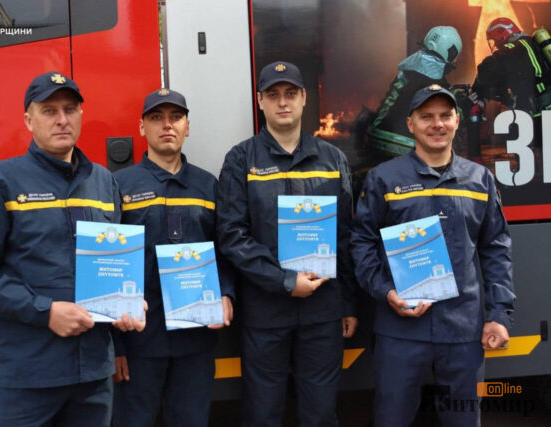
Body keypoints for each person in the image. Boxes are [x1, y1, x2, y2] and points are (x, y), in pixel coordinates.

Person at [0, 71, 145, 427]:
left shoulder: (104, 182)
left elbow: (115, 264)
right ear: (29, 119)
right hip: (27, 375)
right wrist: (46, 311)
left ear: (81, 115)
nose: (61, 119)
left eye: (70, 110)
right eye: (49, 110)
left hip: (93, 377)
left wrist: (127, 304)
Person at [350, 84, 515, 427]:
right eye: (426, 116)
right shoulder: (384, 179)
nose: (437, 124)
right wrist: (386, 291)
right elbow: (361, 244)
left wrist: (499, 314)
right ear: (410, 124)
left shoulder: (480, 180)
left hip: (463, 331)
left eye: (445, 116)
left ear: (457, 121)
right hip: (400, 330)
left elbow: (496, 249)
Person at [216, 61, 358, 427]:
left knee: (320, 413)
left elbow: (345, 236)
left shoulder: (332, 159)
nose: (283, 102)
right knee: (262, 414)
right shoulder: (241, 159)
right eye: (274, 94)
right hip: (265, 311)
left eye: (290, 93)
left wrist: (347, 303)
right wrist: (283, 281)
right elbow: (232, 234)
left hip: (323, 310)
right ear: (260, 101)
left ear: (304, 98)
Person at [111, 88, 234, 427]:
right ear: (142, 127)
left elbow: (225, 249)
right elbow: (109, 266)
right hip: (139, 340)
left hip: (196, 339)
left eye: (176, 117)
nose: (167, 125)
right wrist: (116, 346)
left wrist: (226, 293)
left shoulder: (208, 186)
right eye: (156, 117)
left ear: (187, 127)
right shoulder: (119, 186)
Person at [368, 26, 462, 156]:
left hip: (379, 137)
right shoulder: (437, 83)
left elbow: (388, 104)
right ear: (450, 53)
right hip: (405, 146)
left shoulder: (407, 71)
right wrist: (464, 103)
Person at [473, 17, 551, 117]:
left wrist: (476, 88)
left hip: (541, 109)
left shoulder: (516, 46)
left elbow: (487, 67)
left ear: (502, 34)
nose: (495, 44)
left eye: (495, 40)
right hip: (542, 108)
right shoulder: (527, 46)